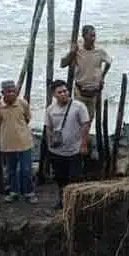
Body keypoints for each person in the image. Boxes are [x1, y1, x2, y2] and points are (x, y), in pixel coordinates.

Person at [45, 80, 90, 210]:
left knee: (75, 178)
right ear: (54, 95)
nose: (64, 94)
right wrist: (49, 145)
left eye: (65, 91)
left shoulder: (79, 106)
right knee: (60, 178)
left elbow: (85, 125)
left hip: (74, 150)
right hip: (57, 151)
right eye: (60, 92)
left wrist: (83, 144)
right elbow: (48, 127)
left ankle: (75, 203)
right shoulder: (50, 109)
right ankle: (62, 200)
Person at [0, 80, 36, 204]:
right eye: (8, 91)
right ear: (2, 93)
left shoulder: (22, 103)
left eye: (13, 91)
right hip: (7, 143)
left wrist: (19, 130)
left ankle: (29, 192)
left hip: (24, 142)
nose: (11, 94)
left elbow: (27, 119)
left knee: (26, 169)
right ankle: (14, 192)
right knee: (11, 170)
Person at [60, 24, 111, 125]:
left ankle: (83, 139)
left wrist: (102, 76)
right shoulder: (78, 50)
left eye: (94, 36)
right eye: (91, 36)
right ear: (83, 36)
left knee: (88, 122)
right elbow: (63, 64)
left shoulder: (99, 51)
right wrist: (72, 53)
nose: (93, 39)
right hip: (80, 92)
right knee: (79, 120)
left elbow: (109, 62)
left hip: (94, 94)